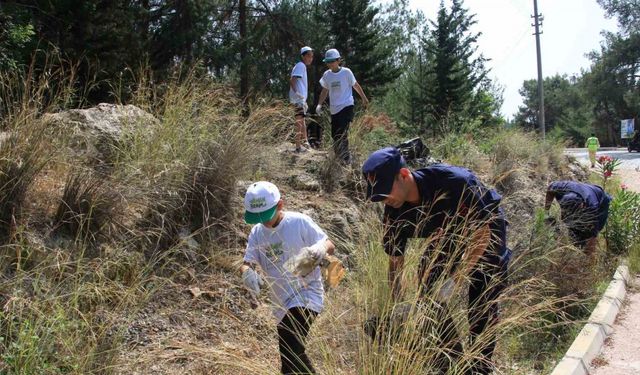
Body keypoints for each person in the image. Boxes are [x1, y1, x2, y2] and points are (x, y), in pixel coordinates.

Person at [362, 147, 511, 375]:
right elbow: (395, 263)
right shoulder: (393, 213)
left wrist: (455, 280)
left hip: (484, 225)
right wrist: (399, 302)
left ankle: (481, 366)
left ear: (403, 175)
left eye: (385, 192)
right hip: (446, 232)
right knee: (428, 288)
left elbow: (481, 235)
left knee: (483, 290)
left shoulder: (454, 183)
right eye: (378, 197)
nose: (384, 200)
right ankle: (454, 362)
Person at [240, 181, 335, 375]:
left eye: (266, 215)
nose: (263, 222)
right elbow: (247, 261)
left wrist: (319, 249)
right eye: (257, 217)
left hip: (307, 294)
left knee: (290, 345)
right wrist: (246, 273)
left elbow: (329, 244)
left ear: (280, 205)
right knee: (289, 360)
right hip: (280, 302)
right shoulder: (257, 233)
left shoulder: (298, 222)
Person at [316, 48, 369, 164]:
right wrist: (319, 104)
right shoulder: (327, 75)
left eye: (332, 61)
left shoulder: (346, 72)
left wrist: (364, 98)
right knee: (334, 134)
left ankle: (346, 159)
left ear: (338, 60)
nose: (330, 64)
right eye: (328, 62)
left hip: (347, 105)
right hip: (334, 109)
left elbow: (356, 85)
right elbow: (325, 90)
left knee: (342, 132)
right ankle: (338, 158)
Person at [544, 181, 611, 256]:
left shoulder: (592, 207)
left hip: (602, 199)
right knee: (572, 228)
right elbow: (550, 188)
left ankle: (583, 250)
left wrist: (590, 261)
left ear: (581, 206)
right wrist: (546, 212)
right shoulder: (559, 188)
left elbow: (592, 237)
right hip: (581, 189)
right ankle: (577, 245)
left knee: (589, 232)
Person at [289, 46, 314, 153]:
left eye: (312, 56)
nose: (310, 58)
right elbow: (292, 80)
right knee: (299, 122)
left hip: (300, 100)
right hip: (298, 100)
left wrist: (303, 100)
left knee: (302, 121)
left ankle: (305, 143)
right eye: (308, 56)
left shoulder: (301, 66)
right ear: (303, 56)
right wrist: (297, 93)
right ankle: (298, 147)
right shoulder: (301, 65)